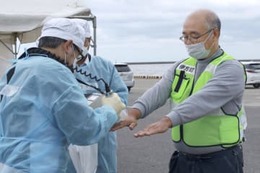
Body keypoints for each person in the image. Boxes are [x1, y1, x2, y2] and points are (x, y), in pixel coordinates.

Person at [113, 9, 247, 173]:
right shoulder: (181, 66)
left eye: (195, 36)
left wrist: (167, 120)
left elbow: (202, 101)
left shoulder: (230, 68)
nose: (189, 42)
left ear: (215, 34)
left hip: (219, 161)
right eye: (185, 36)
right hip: (183, 160)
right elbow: (158, 91)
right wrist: (135, 111)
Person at [0, 17, 125, 173]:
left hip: (8, 164)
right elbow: (85, 130)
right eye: (76, 55)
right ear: (68, 46)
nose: (74, 62)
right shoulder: (56, 72)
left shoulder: (15, 69)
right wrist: (110, 110)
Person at [68, 19, 128, 173]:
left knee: (103, 167)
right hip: (69, 136)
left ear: (89, 41)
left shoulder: (104, 66)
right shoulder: (59, 67)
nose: (82, 45)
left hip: (102, 135)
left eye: (85, 41)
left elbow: (121, 95)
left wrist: (108, 113)